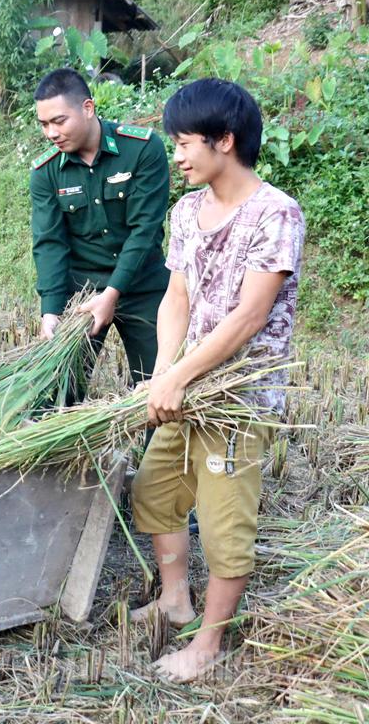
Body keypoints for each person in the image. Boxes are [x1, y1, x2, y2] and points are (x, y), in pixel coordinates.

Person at [129, 79, 304, 682]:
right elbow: (175, 296)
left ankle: (208, 644)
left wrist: (181, 374)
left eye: (183, 143)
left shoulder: (275, 213)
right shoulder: (186, 211)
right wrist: (161, 375)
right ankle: (176, 600)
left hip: (237, 397)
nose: (175, 155)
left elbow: (250, 316)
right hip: (185, 388)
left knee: (226, 521)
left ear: (224, 141)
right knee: (153, 492)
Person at [29, 69, 170, 399]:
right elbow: (49, 243)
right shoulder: (45, 172)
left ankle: (154, 452)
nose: (51, 133)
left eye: (59, 121)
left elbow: (144, 231)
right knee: (58, 393)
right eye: (44, 124)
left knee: (160, 387)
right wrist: (50, 311)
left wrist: (113, 292)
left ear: (88, 108)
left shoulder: (142, 149)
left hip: (143, 285)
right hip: (82, 293)